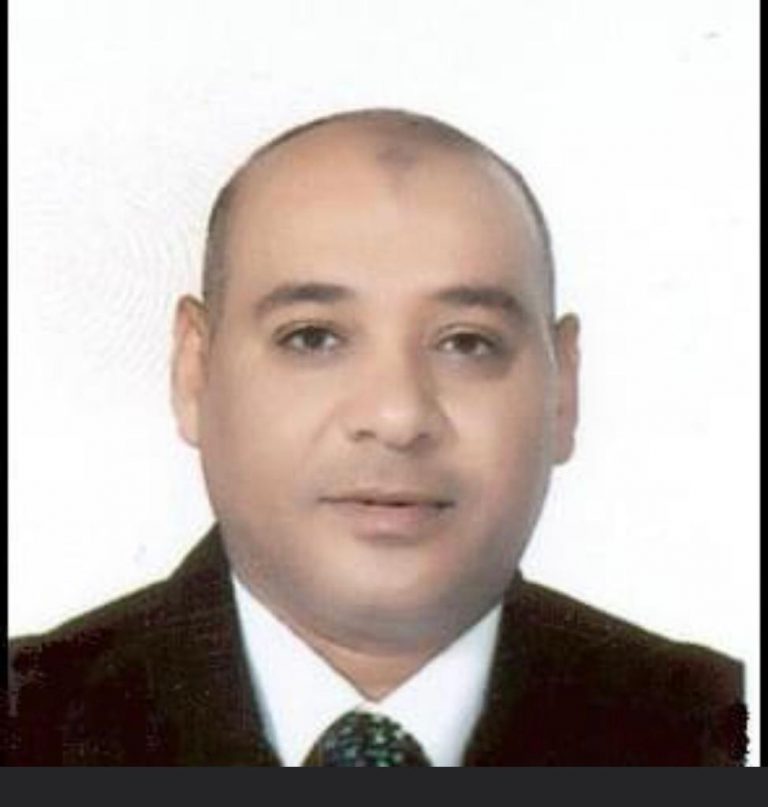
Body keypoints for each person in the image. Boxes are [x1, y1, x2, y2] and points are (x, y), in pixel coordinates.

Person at [5, 108, 747, 766]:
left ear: (564, 389)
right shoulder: (25, 729)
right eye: (312, 337)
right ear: (195, 371)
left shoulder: (712, 730)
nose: (397, 415)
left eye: (467, 343)